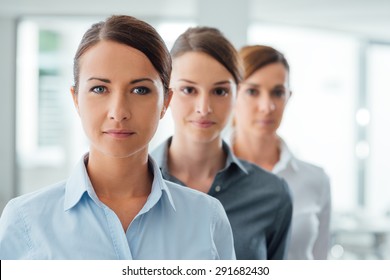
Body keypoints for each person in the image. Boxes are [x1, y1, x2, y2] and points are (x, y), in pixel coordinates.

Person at [0, 15, 235, 260]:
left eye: (140, 90)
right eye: (100, 89)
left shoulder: (207, 218)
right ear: (76, 99)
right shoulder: (26, 220)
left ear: (165, 101)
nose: (119, 112)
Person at [151, 27, 293, 260]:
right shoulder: (135, 184)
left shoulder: (273, 194)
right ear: (167, 93)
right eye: (188, 89)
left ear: (237, 94)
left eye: (220, 91)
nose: (204, 108)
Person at [232, 45, 331, 259]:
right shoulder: (208, 175)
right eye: (252, 91)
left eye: (277, 92)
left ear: (288, 97)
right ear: (231, 93)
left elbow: (320, 260)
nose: (267, 106)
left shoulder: (316, 180)